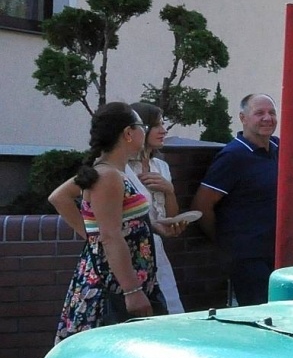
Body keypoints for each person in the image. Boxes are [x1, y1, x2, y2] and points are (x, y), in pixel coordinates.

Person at [50, 101, 193, 312]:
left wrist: (152, 227)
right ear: (128, 133)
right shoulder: (108, 176)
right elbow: (110, 236)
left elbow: (118, 224)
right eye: (142, 126)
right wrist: (132, 291)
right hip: (114, 287)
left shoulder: (112, 172)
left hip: (129, 278)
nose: (146, 131)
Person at [192, 93, 280, 306]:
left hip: (278, 252)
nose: (267, 118)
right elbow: (202, 205)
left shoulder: (280, 149)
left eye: (272, 112)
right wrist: (225, 242)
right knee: (260, 314)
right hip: (248, 257)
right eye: (259, 113)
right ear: (243, 118)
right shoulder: (233, 156)